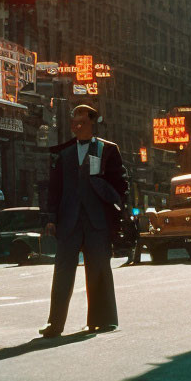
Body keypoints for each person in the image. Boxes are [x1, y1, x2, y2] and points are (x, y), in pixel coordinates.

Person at [40, 105, 128, 337]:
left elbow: (121, 184)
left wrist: (115, 211)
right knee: (62, 272)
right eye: (74, 122)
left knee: (99, 270)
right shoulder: (63, 154)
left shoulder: (108, 150)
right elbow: (55, 189)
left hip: (97, 221)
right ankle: (55, 324)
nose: (77, 126)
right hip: (69, 221)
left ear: (92, 123)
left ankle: (103, 320)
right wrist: (51, 218)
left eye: (82, 122)